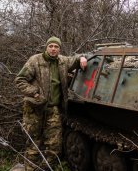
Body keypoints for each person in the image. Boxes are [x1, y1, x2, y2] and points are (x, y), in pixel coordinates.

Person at [15, 36, 87, 170]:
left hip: (53, 108)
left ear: (59, 49)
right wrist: (34, 92)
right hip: (35, 107)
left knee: (54, 144)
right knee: (33, 142)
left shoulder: (63, 61)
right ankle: (30, 168)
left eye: (56, 47)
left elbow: (75, 59)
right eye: (51, 46)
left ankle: (46, 168)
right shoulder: (35, 60)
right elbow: (20, 80)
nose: (53, 49)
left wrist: (82, 57)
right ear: (46, 47)